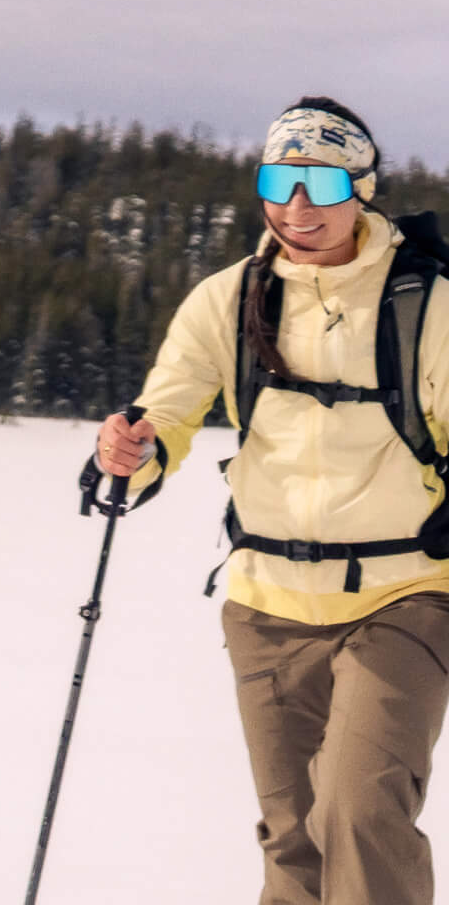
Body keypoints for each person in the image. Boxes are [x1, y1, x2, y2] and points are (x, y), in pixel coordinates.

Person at [96, 98, 449, 905]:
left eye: (320, 185)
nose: (297, 207)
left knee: (360, 814)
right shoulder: (228, 299)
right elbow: (169, 413)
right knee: (293, 840)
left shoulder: (427, 305)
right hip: (266, 605)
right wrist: (134, 450)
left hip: (404, 597)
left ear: (361, 189)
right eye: (279, 181)